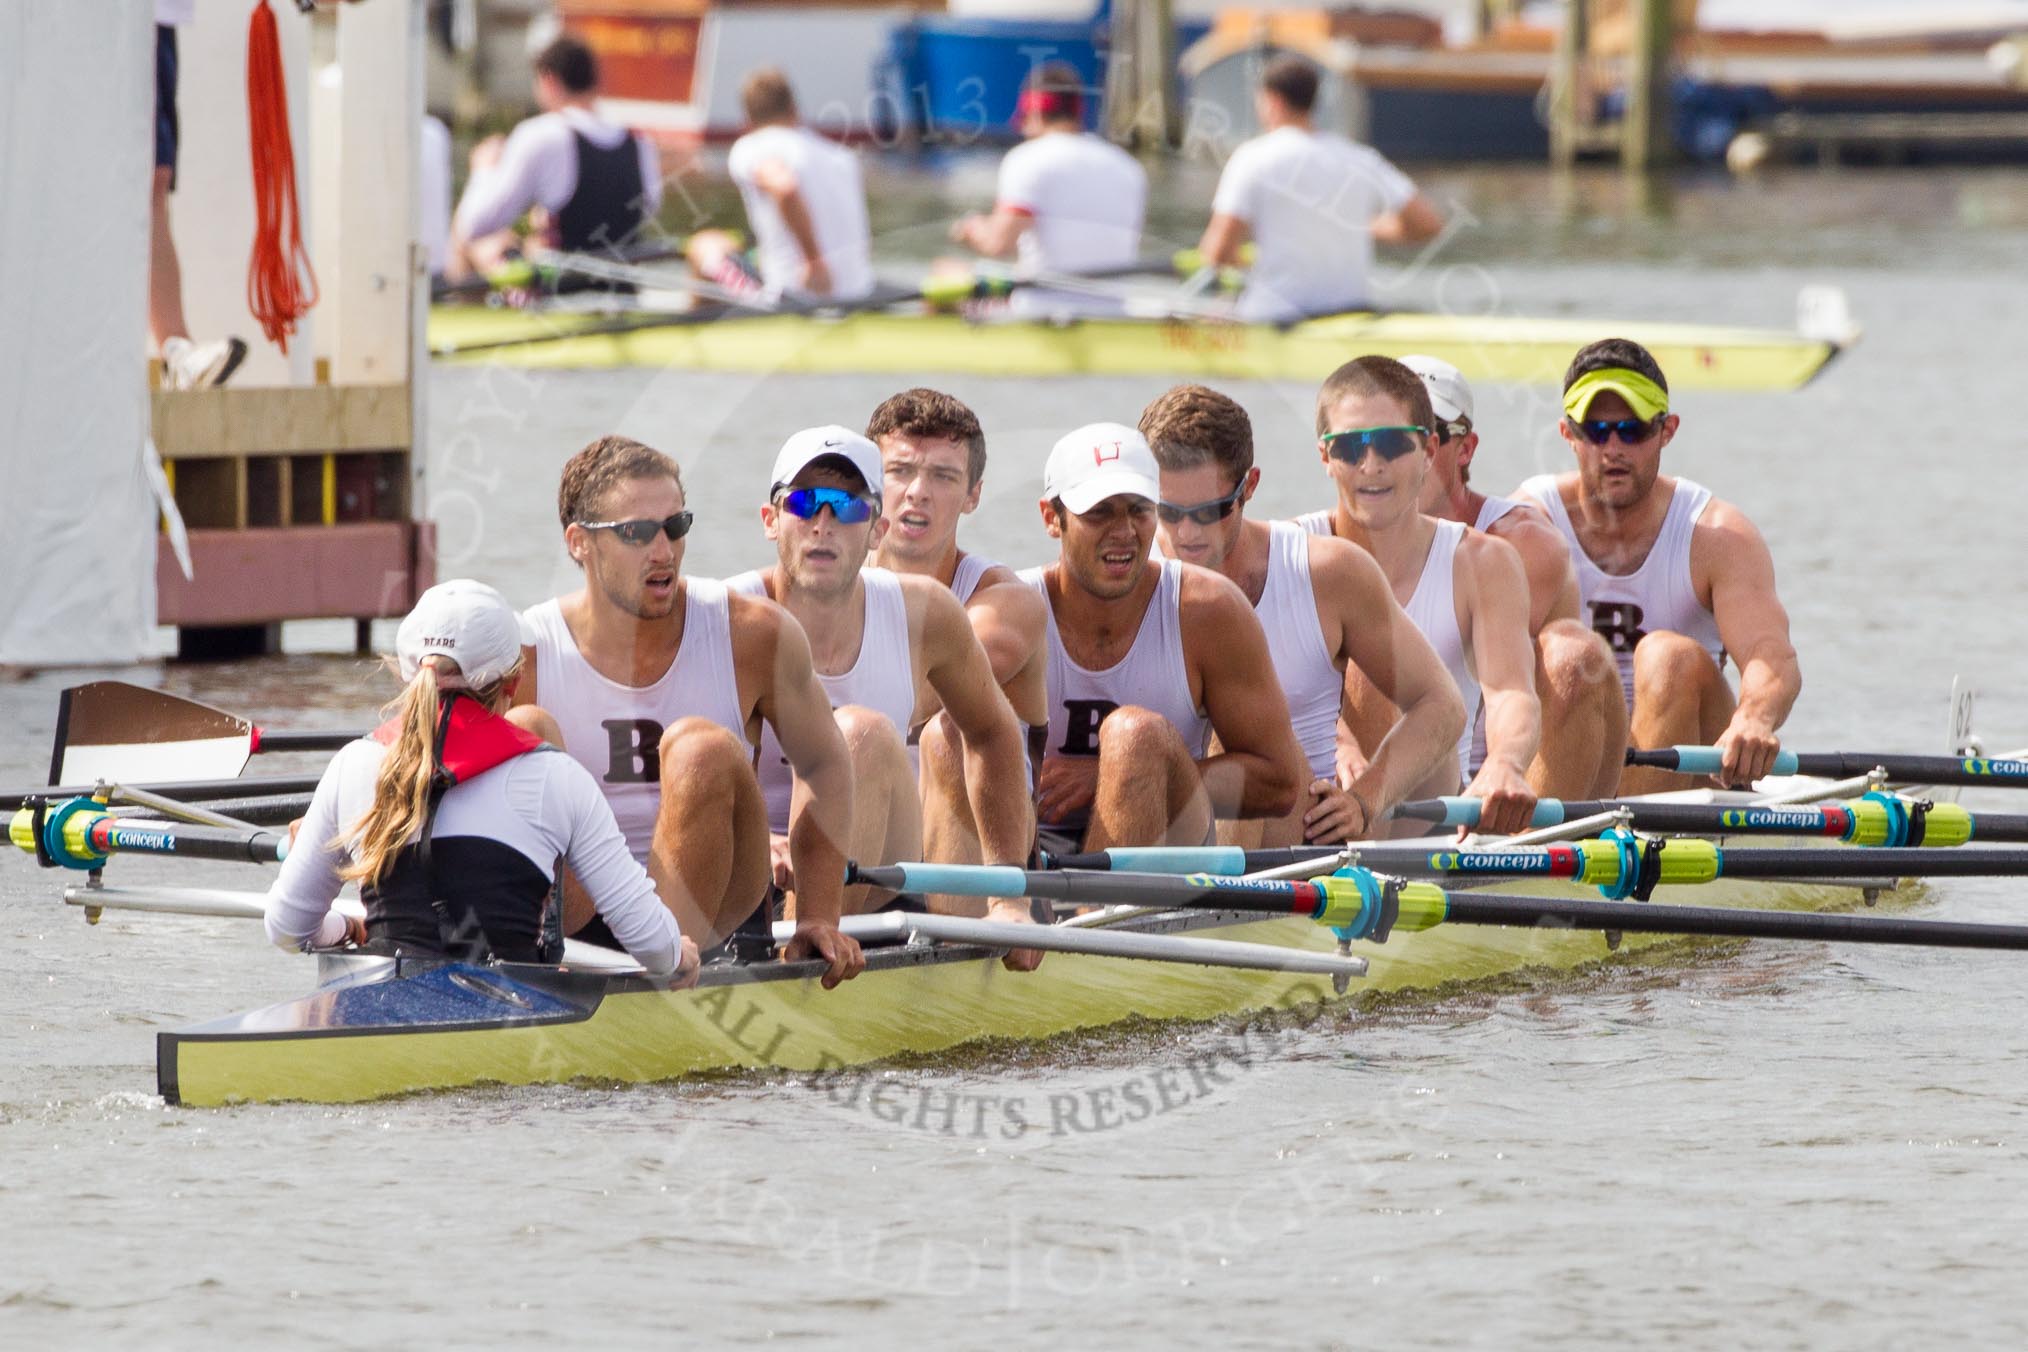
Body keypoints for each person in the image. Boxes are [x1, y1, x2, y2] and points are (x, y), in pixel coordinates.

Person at [516, 435, 864, 988]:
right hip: (579, 912)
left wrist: (817, 914)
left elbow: (824, 764)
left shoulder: (752, 634)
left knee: (700, 748)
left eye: (676, 527)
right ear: (579, 543)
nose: (664, 552)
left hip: (717, 910)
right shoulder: (525, 651)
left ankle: (663, 977)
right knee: (523, 732)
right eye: (637, 533)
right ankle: (528, 958)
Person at [265, 579, 700, 985]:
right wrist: (679, 956)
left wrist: (347, 927)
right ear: (514, 681)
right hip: (515, 1017)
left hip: (385, 998)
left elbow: (285, 929)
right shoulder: (556, 777)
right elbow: (651, 945)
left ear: (405, 675)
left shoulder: (354, 762)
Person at [725, 427, 1038, 966]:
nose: (824, 524)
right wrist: (764, 840)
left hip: (875, 871)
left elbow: (992, 732)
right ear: (771, 520)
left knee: (859, 733)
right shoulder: (726, 617)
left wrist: (1010, 897)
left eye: (847, 507)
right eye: (805, 503)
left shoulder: (926, 613)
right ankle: (798, 947)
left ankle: (809, 957)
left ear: (876, 529)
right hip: (758, 877)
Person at [1138, 384, 1464, 846]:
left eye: (1210, 511)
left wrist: (1364, 801)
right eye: (1168, 511)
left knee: (1242, 738)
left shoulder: (1327, 572)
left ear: (1248, 486)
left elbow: (1441, 705)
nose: (1186, 534)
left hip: (1292, 843)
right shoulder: (1122, 576)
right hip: (1165, 836)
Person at [1516, 337, 1801, 793]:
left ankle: (1625, 838)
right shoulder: (1530, 525)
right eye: (1595, 430)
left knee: (1668, 656)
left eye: (1632, 431)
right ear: (1568, 434)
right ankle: (1535, 844)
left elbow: (1771, 654)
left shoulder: (1716, 534)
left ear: (1666, 430)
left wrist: (1754, 716)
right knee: (1564, 652)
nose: (1613, 448)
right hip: (1571, 759)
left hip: (1689, 765)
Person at [1021, 423, 1306, 851]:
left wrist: (1118, 775)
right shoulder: (1010, 609)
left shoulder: (1208, 610)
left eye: (1139, 509)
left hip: (1169, 841)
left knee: (1136, 737)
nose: (1123, 532)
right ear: (1051, 518)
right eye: (1099, 512)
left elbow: (1279, 784)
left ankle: (1095, 915)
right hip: (1030, 834)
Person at [1298, 356, 1541, 835]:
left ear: (1430, 450)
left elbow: (1511, 690)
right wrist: (1338, 743)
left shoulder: (1482, 563)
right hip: (1314, 795)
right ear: (1325, 457)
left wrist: (1507, 762)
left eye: (1391, 443)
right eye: (1350, 447)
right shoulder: (1289, 553)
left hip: (1424, 801)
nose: (1372, 465)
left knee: (1376, 668)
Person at [1404, 354, 1629, 798]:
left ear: (1464, 448)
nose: (1409, 454)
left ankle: (1522, 849)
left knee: (1571, 651)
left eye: (1426, 435)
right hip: (1403, 777)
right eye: (1389, 437)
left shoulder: (1522, 543)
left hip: (1504, 782)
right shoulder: (1334, 541)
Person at [866, 387, 1048, 755]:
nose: (918, 491)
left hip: (959, 806)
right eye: (899, 471)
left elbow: (932, 693)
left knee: (948, 731)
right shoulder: (825, 582)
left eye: (943, 476)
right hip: (863, 801)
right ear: (867, 484)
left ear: (973, 496)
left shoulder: (1006, 602)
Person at [1195, 55, 1443, 323]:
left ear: (1272, 101)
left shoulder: (1252, 157)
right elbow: (1426, 224)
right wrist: (1363, 225)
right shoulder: (1360, 158)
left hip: (1275, 317)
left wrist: (1239, 259)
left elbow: (1216, 251)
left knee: (1214, 308)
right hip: (1350, 316)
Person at [446, 35, 662, 284]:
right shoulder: (639, 141)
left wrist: (483, 171)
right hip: (623, 291)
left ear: (548, 81)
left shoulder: (542, 134)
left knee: (476, 242)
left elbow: (474, 225)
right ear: (594, 82)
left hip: (557, 295)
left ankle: (456, 312)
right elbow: (646, 210)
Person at [950, 62, 1147, 315]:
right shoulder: (1129, 168)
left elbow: (998, 245)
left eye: (1022, 119)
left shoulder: (1027, 159)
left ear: (1033, 114)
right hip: (1113, 315)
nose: (1022, 129)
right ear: (1077, 112)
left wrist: (971, 228)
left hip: (1040, 312)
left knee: (946, 271)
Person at [689, 68, 874, 303]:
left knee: (704, 245)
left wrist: (814, 261)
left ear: (747, 122)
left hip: (788, 300)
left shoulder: (751, 148)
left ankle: (697, 330)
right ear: (794, 110)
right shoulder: (842, 157)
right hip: (860, 293)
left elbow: (784, 187)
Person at [151, 0, 247, 390]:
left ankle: (175, 351)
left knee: (154, 178)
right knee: (145, 178)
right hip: (112, 26)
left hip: (151, 20)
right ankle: (175, 349)